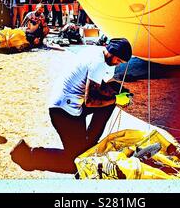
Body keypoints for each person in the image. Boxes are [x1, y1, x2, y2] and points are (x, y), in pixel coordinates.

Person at [10, 38, 133, 173]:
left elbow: (99, 87)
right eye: (118, 61)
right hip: (63, 111)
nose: (117, 64)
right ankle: (28, 156)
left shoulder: (96, 51)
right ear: (112, 53)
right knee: (77, 163)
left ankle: (90, 143)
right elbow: (90, 101)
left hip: (72, 105)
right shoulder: (98, 63)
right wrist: (115, 99)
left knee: (114, 88)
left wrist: (118, 93)